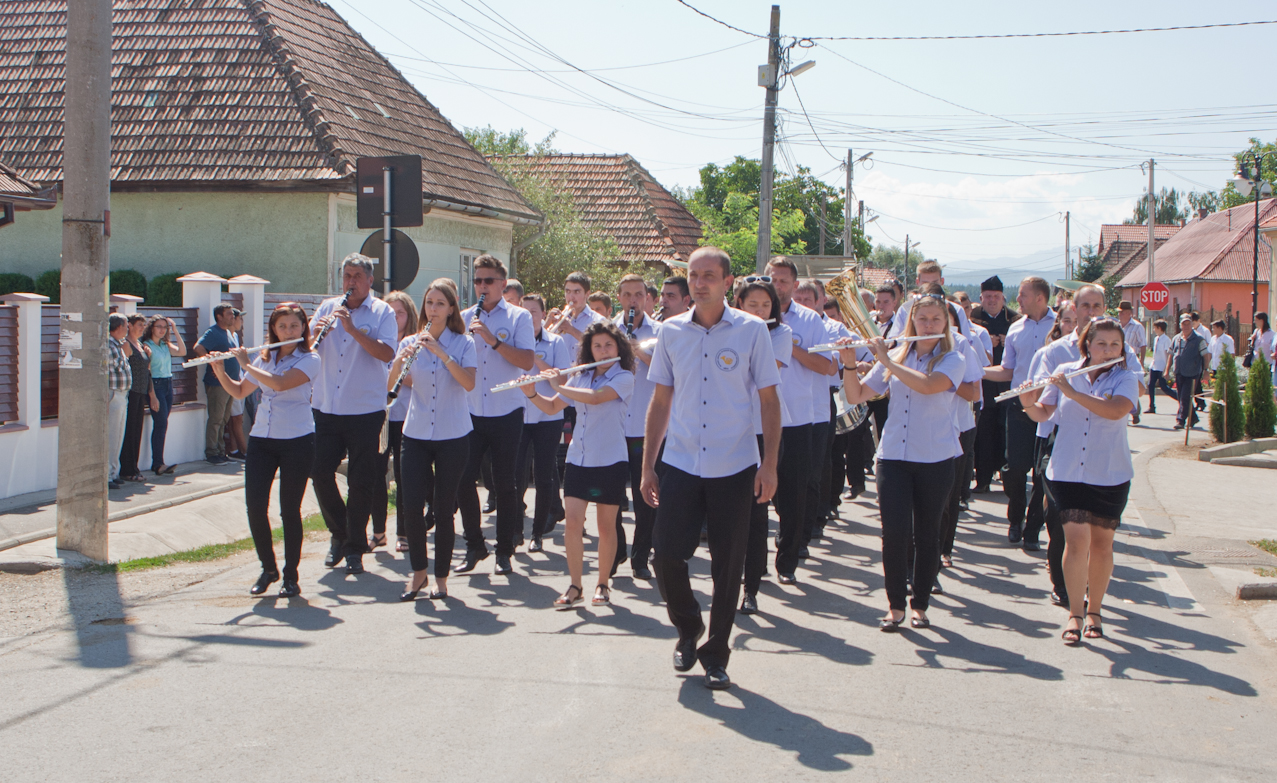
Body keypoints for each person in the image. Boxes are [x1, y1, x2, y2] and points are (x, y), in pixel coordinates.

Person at [642, 246, 781, 691]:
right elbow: (660, 400)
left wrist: (770, 465)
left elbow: (769, 400)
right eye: (693, 275)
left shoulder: (752, 331)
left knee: (728, 564)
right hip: (681, 460)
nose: (699, 283)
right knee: (665, 554)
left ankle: (716, 654)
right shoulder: (671, 332)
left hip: (734, 463)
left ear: (727, 282)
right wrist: (648, 466)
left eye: (708, 276)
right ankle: (688, 628)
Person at [839, 293, 964, 631]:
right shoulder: (895, 354)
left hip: (935, 456)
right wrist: (849, 362)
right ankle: (895, 605)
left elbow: (927, 387)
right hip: (893, 455)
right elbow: (856, 396)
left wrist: (887, 361)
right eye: (922, 319)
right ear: (912, 322)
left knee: (927, 534)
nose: (928, 325)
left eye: (935, 320)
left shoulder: (953, 359)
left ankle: (920, 604)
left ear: (945, 325)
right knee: (894, 532)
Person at [1021, 319, 1137, 643]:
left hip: (1109, 472)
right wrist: (1027, 400)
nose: (1108, 351)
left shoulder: (1126, 377)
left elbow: (1115, 411)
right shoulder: (1066, 370)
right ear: (1088, 345)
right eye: (1102, 344)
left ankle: (1095, 610)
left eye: (1115, 345)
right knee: (1075, 542)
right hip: (1069, 469)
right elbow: (1043, 413)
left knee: (1101, 546)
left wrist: (1071, 391)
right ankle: (1075, 613)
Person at [209, 303, 320, 598]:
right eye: (282, 326)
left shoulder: (310, 359)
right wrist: (220, 370)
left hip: (297, 438)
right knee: (255, 506)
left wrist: (247, 364)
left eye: (294, 326)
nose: (288, 331)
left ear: (303, 328)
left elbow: (282, 385)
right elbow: (239, 391)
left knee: (289, 511)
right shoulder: (264, 358)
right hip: (262, 438)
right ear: (273, 329)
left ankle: (291, 576)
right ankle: (268, 568)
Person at [522, 321, 635, 608]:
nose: (602, 350)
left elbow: (596, 399)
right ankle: (575, 585)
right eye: (597, 345)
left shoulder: (623, 377)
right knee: (572, 524)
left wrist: (559, 384)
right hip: (578, 459)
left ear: (618, 348)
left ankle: (602, 584)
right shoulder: (580, 377)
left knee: (606, 527)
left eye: (608, 345)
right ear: (589, 349)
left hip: (610, 460)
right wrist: (532, 392)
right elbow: (551, 407)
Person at [309, 254, 399, 575]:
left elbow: (387, 353)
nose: (350, 282)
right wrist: (314, 334)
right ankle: (339, 532)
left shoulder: (382, 312)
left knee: (361, 480)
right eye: (347, 275)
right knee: (319, 471)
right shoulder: (326, 307)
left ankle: (354, 548)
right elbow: (307, 351)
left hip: (364, 409)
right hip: (327, 407)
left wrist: (352, 329)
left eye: (357, 276)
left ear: (370, 281)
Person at [391, 281, 477, 602]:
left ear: (452, 308)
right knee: (411, 506)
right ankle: (418, 574)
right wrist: (402, 360)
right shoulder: (412, 342)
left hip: (453, 434)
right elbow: (391, 385)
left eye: (440, 303)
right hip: (415, 433)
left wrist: (441, 353)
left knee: (443, 509)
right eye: (429, 303)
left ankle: (441, 578)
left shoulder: (464, 343)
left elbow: (468, 383)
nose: (433, 309)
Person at [456, 255, 536, 576]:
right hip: (470, 411)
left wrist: (493, 340)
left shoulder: (519, 317)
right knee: (463, 480)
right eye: (478, 281)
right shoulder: (462, 317)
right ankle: (475, 545)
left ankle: (504, 551)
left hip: (506, 411)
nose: (482, 287)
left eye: (489, 281)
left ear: (503, 284)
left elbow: (528, 360)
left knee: (505, 484)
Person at [765, 258, 836, 584]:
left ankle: (788, 559)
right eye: (771, 279)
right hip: (758, 418)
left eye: (782, 281)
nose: (776, 285)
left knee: (794, 493)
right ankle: (754, 561)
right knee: (763, 492)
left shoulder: (809, 320)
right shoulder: (750, 317)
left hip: (797, 419)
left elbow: (828, 367)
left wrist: (789, 346)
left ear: (794, 286)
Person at [982, 277, 1055, 544]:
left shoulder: (1059, 326)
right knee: (1014, 468)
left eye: (1022, 295)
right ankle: (1015, 518)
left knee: (1041, 472)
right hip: (1019, 405)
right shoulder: (1015, 329)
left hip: (1049, 405)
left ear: (1039, 297)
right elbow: (1007, 370)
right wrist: (976, 372)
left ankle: (1033, 528)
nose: (1018, 300)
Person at [735, 278, 792, 615]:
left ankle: (750, 587)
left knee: (757, 515)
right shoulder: (724, 332)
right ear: (739, 304)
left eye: (765, 305)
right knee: (728, 515)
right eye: (752, 304)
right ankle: (728, 579)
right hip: (730, 431)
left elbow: (762, 376)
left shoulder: (780, 336)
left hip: (763, 432)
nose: (759, 310)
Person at [613, 274, 660, 579]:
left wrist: (635, 349)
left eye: (638, 295)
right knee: (613, 495)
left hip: (646, 425)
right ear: (619, 297)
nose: (633, 300)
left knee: (646, 498)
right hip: (614, 424)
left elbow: (666, 372)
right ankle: (615, 548)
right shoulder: (606, 329)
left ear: (646, 298)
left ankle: (640, 556)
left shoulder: (661, 331)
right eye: (627, 294)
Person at [516, 294, 570, 552]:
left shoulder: (556, 342)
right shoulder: (513, 341)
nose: (529, 317)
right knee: (516, 474)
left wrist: (534, 357)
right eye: (524, 312)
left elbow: (561, 384)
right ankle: (515, 530)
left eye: (534, 312)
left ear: (543, 314)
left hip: (548, 416)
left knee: (544, 475)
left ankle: (537, 533)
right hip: (518, 415)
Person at [371, 290, 418, 553]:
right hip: (377, 415)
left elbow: (421, 379)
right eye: (390, 312)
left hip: (405, 415)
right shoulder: (378, 342)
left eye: (400, 312)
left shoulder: (414, 342)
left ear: (408, 315)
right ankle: (378, 532)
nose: (395, 317)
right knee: (377, 475)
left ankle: (404, 532)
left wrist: (395, 373)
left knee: (404, 477)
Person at [968, 275, 1020, 495]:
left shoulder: (1015, 320)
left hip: (1008, 381)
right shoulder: (973, 318)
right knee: (985, 433)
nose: (991, 300)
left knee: (1006, 430)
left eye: (996, 297)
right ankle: (983, 479)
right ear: (981, 298)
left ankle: (1007, 475)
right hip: (985, 383)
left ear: (1003, 298)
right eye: (987, 297)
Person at [193, 303, 240, 465]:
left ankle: (221, 451)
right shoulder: (213, 332)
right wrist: (213, 363)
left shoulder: (228, 332)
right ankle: (212, 452)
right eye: (228, 314)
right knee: (216, 418)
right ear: (219, 316)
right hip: (217, 383)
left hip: (229, 382)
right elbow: (198, 348)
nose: (232, 316)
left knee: (224, 418)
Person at [142, 315, 186, 475]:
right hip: (156, 385)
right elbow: (148, 373)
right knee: (160, 424)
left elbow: (182, 351)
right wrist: (152, 395)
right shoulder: (146, 346)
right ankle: (158, 464)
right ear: (151, 328)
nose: (162, 330)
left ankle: (159, 462)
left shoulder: (164, 344)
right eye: (158, 326)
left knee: (162, 423)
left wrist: (175, 329)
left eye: (164, 327)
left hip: (168, 384)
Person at [117, 314, 152, 484]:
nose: (142, 327)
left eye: (143, 324)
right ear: (129, 325)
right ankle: (126, 469)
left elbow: (148, 370)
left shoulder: (141, 345)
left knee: (137, 431)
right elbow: (122, 367)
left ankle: (134, 467)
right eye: (139, 324)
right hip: (130, 392)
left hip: (141, 392)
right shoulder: (126, 344)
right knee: (129, 431)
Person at [1168, 314, 1209, 430]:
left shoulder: (1198, 339)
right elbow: (1170, 355)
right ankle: (1193, 417)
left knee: (1185, 396)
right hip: (1179, 372)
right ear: (1180, 325)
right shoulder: (1176, 338)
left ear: (1192, 324)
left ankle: (1180, 420)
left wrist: (1206, 370)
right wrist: (1167, 370)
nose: (1186, 326)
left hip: (1192, 372)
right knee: (1182, 397)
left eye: (1188, 323)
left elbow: (1206, 355)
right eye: (1183, 324)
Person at [107, 313, 132, 490]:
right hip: (113, 394)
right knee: (111, 436)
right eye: (125, 325)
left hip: (122, 394)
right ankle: (107, 475)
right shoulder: (109, 345)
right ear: (118, 327)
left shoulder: (118, 344)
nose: (127, 328)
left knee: (118, 436)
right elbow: (108, 368)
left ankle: (113, 473)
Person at [224, 309, 249, 460]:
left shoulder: (234, 335)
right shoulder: (225, 335)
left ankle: (234, 450)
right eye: (240, 318)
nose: (241, 322)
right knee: (237, 418)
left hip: (240, 380)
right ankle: (245, 452)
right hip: (233, 383)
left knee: (237, 418)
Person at [1144, 320, 1176, 413]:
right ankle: (1152, 406)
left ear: (1159, 328)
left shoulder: (1166, 340)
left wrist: (1167, 368)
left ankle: (1180, 400)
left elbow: (1168, 354)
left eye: (1155, 328)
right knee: (1150, 385)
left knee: (1164, 387)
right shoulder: (1156, 338)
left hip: (1162, 367)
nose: (1154, 330)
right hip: (1154, 366)